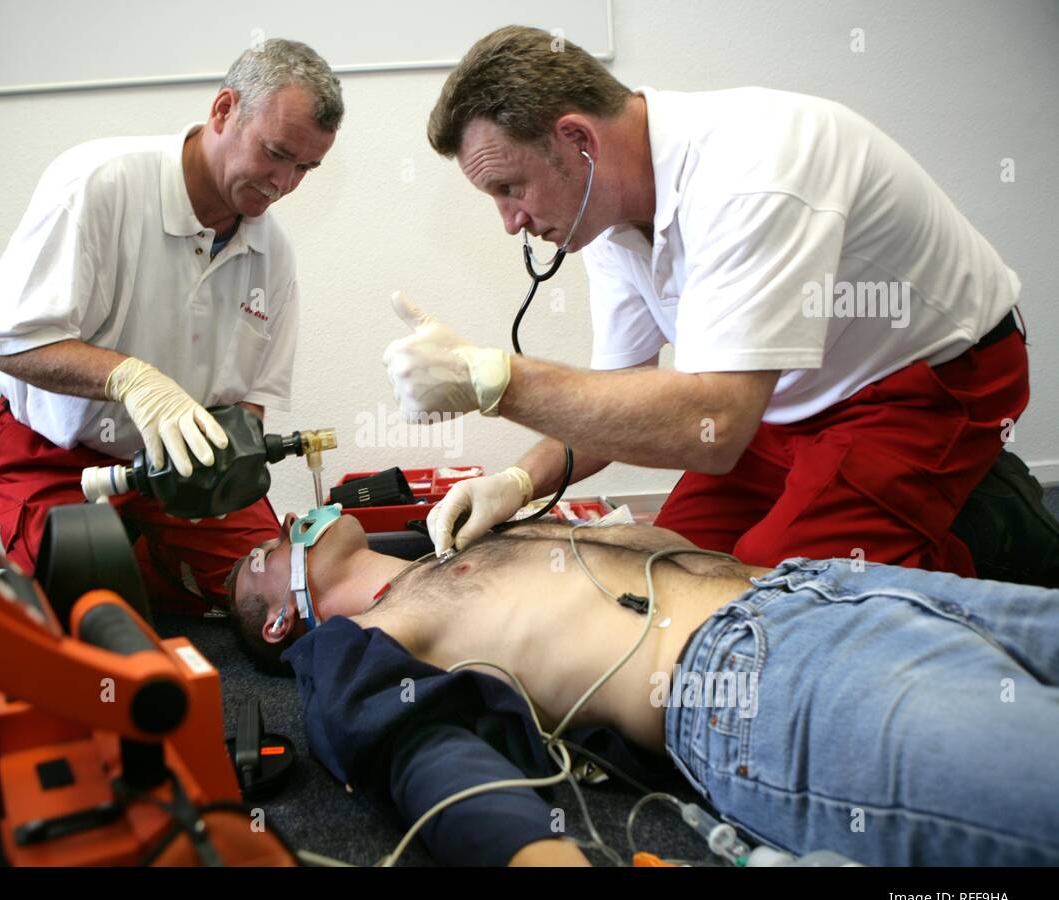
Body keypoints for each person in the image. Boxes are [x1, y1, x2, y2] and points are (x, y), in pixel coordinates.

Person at [381, 25, 1058, 588]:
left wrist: (495, 381)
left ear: (576, 141)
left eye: (509, 187)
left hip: (928, 381)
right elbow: (614, 398)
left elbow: (715, 423)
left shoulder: (753, 170)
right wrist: (516, 481)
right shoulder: (606, 211)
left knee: (771, 593)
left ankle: (991, 550)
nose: (510, 221)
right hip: (779, 395)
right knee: (665, 572)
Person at [226, 510, 1059, 866]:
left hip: (844, 590)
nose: (291, 522)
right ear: (276, 622)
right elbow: (411, 748)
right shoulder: (354, 640)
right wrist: (538, 854)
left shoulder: (459, 543)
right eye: (267, 547)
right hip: (747, 676)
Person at [0, 40, 342, 614]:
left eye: (305, 168)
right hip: (60, 453)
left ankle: (150, 568)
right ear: (223, 110)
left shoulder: (272, 254)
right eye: (276, 153)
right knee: (83, 623)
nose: (284, 183)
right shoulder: (97, 184)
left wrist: (228, 470)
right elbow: (1, 340)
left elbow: (251, 405)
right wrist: (131, 380)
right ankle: (134, 573)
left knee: (285, 603)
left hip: (191, 468)